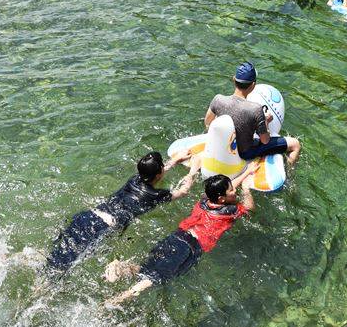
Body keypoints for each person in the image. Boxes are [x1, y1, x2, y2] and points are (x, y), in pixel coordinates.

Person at [103, 167, 258, 306]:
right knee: (156, 278)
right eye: (232, 190)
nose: (234, 191)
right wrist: (246, 189)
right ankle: (120, 298)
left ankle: (120, 268)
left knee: (148, 267)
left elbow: (224, 192)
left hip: (177, 236)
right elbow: (249, 209)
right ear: (222, 199)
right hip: (190, 247)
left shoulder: (205, 198)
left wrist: (246, 173)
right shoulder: (230, 211)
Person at [45, 151, 200, 274]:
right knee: (63, 268)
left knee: (57, 254)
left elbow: (154, 173)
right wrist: (194, 170)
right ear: (159, 173)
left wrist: (174, 160)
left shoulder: (134, 180)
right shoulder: (156, 195)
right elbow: (183, 191)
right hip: (102, 227)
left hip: (88, 216)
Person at [204, 62, 300, 165]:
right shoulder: (255, 109)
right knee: (295, 144)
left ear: (234, 79)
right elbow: (265, 141)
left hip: (222, 148)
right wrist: (266, 122)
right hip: (245, 153)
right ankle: (289, 171)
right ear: (253, 85)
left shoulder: (218, 99)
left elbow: (208, 122)